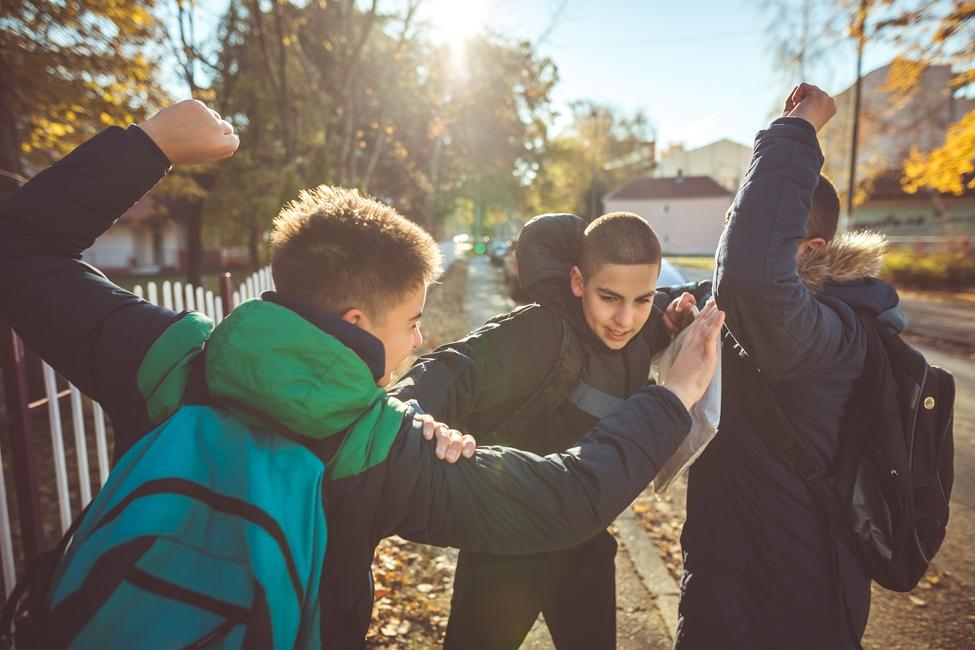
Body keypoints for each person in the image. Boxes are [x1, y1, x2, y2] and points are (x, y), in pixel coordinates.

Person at [0, 98, 724, 649]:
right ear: (354, 323)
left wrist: (149, 142)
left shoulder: (168, 359)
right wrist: (674, 397)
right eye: (411, 320)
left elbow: (21, 248)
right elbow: (564, 500)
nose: (418, 339)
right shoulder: (377, 451)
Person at [391, 211, 706, 649]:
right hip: (503, 551)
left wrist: (669, 318)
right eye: (609, 297)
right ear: (577, 282)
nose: (625, 319)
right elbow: (449, 368)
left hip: (583, 546)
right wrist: (413, 415)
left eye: (643, 300)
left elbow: (668, 308)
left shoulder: (641, 328)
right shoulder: (537, 330)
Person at [674, 83, 893, 649]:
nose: (732, 238)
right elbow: (735, 275)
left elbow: (749, 269)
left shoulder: (829, 333)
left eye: (749, 224)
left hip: (790, 608)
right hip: (730, 586)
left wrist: (797, 128)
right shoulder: (769, 320)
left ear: (811, 249)